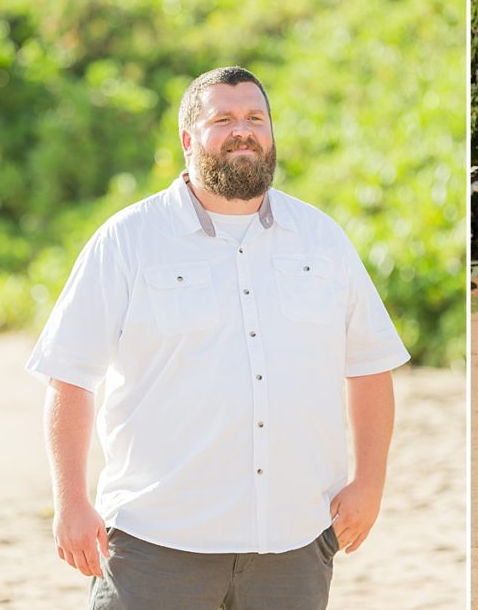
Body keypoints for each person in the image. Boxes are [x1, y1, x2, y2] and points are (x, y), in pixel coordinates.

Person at [26, 66, 410, 610]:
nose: (243, 130)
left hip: (293, 545)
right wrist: (70, 502)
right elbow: (69, 374)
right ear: (188, 139)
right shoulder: (128, 240)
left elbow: (370, 364)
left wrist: (369, 483)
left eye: (256, 117)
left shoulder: (322, 239)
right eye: (222, 119)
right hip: (155, 546)